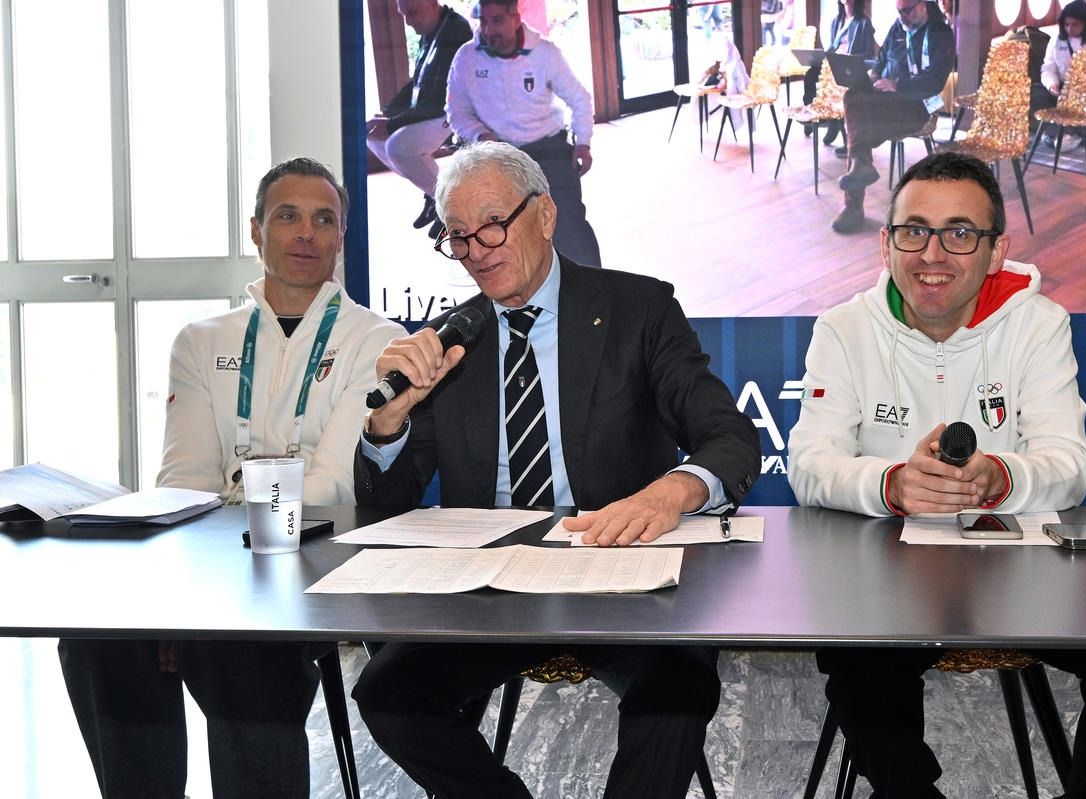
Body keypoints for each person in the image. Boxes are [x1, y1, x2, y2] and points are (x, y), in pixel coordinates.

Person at [352, 141, 760, 798]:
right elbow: (385, 501)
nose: (476, 250)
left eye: (492, 224)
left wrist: (670, 492)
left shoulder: (638, 308)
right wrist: (389, 421)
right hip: (487, 584)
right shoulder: (447, 341)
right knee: (387, 692)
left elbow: (729, 437)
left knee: (678, 685)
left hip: (618, 567)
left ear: (544, 214)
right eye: (458, 236)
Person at [787, 151, 1086, 798]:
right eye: (913, 231)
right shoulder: (842, 329)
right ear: (886, 243)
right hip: (884, 580)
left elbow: (1069, 464)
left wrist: (996, 478)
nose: (932, 254)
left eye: (959, 233)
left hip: (1021, 578)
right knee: (858, 659)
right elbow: (809, 464)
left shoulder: (1038, 323)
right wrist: (892, 484)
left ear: (995, 249)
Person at [57, 158, 402, 799]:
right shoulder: (201, 340)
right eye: (288, 216)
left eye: (324, 219)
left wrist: (210, 601)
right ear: (256, 230)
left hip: (312, 561)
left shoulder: (377, 341)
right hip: (213, 560)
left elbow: (330, 487)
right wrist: (178, 600)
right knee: (102, 634)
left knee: (239, 645)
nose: (306, 233)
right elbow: (183, 480)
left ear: (341, 236)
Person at [446, 0, 603, 268]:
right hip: (498, 153)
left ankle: (592, 288)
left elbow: (580, 99)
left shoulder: (545, 53)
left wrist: (583, 142)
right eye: (483, 21)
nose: (488, 30)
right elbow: (456, 111)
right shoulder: (466, 58)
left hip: (548, 147)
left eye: (497, 21)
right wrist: (481, 136)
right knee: (505, 233)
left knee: (568, 223)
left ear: (515, 18)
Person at [833, 0, 954, 235]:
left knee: (859, 131)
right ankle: (860, 165)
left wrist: (897, 85)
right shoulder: (898, 28)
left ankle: (853, 205)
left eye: (906, 11)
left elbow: (936, 81)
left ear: (922, 6)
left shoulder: (941, 33)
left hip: (918, 107)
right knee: (853, 95)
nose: (901, 17)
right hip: (888, 100)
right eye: (898, 11)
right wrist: (873, 76)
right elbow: (880, 60)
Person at [366, 0, 472, 240]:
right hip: (431, 109)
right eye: (403, 14)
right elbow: (416, 84)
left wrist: (391, 124)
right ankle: (435, 195)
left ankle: (452, 204)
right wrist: (387, 114)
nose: (408, 22)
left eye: (413, 13)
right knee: (374, 138)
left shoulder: (456, 32)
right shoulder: (431, 30)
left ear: (432, 4)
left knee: (399, 147)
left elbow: (438, 101)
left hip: (454, 111)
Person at [1031, 0, 1086, 149]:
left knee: (1082, 105)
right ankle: (1060, 134)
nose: (1069, 29)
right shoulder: (1057, 40)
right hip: (1061, 87)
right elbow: (1048, 68)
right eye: (1066, 24)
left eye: (1075, 25)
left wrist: (1081, 87)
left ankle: (1065, 134)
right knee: (1031, 93)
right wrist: (1052, 84)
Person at [801, 0, 876, 145]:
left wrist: (850, 58)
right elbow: (832, 47)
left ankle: (834, 122)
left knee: (836, 81)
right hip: (833, 62)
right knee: (811, 74)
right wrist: (821, 57)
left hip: (849, 66)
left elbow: (869, 53)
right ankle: (811, 115)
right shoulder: (836, 21)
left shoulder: (864, 22)